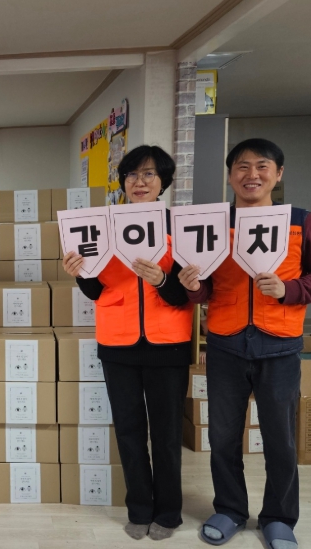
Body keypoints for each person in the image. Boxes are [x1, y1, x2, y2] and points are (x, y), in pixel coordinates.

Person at [179, 138, 310, 549]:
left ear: (278, 173)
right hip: (225, 345)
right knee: (222, 437)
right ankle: (231, 509)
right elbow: (205, 288)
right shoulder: (214, 223)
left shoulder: (301, 222)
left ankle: (279, 518)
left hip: (280, 347)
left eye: (262, 166)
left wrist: (288, 289)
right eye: (242, 166)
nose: (252, 174)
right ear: (230, 175)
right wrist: (193, 286)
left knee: (280, 441)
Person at [63, 145, 194, 541]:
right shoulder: (103, 225)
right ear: (122, 182)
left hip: (168, 341)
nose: (140, 182)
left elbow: (191, 291)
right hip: (117, 341)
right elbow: (96, 289)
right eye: (132, 174)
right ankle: (139, 507)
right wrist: (80, 273)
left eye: (149, 174)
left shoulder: (180, 227)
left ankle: (168, 512)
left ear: (163, 181)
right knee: (129, 430)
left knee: (167, 435)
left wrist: (162, 280)